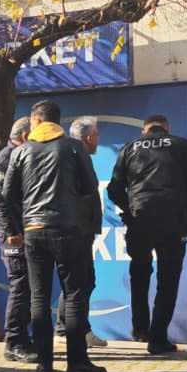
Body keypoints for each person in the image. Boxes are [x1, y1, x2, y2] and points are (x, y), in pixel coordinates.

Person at [0, 100, 105, 372]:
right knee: (75, 295)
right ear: (57, 121)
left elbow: (7, 195)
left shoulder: (21, 151)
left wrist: (15, 229)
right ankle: (77, 362)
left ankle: (45, 363)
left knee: (39, 297)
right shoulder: (73, 147)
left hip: (33, 232)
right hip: (69, 230)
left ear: (35, 122)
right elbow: (89, 187)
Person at [107, 114, 187, 355]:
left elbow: (114, 189)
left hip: (140, 221)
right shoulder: (182, 145)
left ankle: (140, 329)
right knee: (168, 279)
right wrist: (180, 201)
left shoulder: (129, 148)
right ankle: (158, 339)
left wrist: (131, 208)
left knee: (139, 272)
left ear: (144, 131)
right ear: (166, 128)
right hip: (173, 222)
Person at [0, 117, 35, 362]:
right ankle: (14, 343)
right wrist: (12, 232)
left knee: (27, 288)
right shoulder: (7, 158)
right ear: (26, 137)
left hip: (24, 233)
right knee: (20, 286)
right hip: (13, 237)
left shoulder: (20, 156)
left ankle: (24, 339)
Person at [64, 116, 107, 349]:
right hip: (77, 230)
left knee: (78, 281)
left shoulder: (73, 153)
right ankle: (80, 330)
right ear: (89, 137)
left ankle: (67, 326)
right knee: (82, 281)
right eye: (97, 134)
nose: (98, 139)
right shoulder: (75, 155)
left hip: (80, 228)